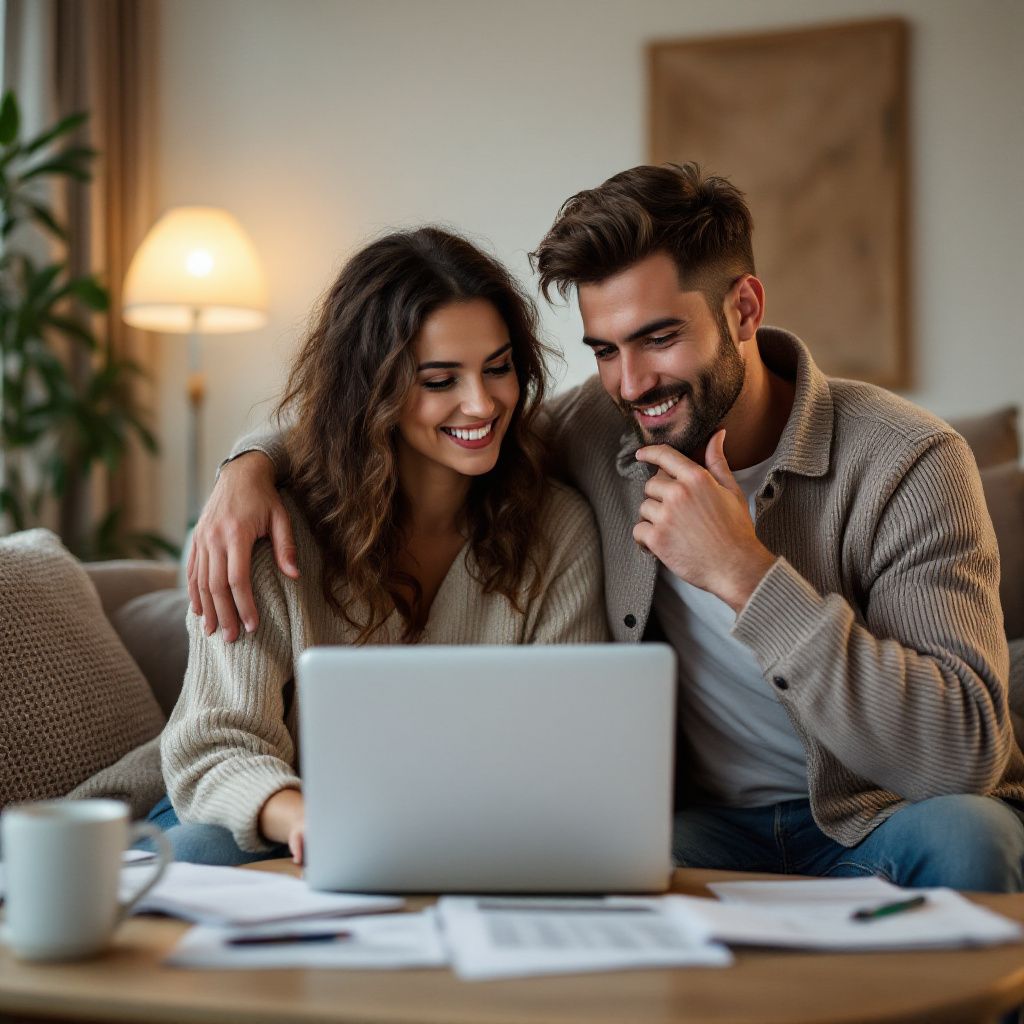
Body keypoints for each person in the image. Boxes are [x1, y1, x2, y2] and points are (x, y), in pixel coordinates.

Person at [188, 165, 1024, 892]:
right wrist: (249, 465)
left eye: (659, 338)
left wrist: (747, 576)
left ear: (744, 307)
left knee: (971, 837)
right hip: (697, 823)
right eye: (604, 349)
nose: (631, 383)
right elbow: (413, 422)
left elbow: (960, 760)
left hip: (880, 816)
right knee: (560, 868)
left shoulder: (910, 462)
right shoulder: (600, 431)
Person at [157, 227, 608, 866]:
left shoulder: (556, 531)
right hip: (277, 819)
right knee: (198, 850)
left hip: (471, 832)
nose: (481, 402)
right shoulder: (270, 529)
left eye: (498, 367)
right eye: (439, 379)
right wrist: (308, 817)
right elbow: (215, 746)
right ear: (372, 389)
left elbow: (567, 750)